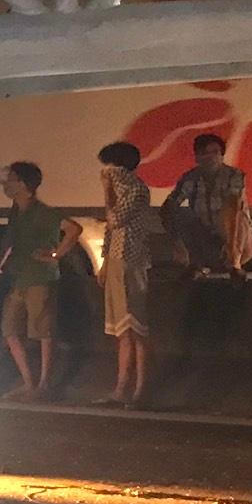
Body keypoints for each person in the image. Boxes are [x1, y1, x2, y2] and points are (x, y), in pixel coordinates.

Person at [97, 141, 167, 407]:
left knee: (135, 326)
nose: (106, 173)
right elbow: (109, 231)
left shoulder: (136, 189)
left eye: (110, 167)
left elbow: (115, 219)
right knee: (121, 331)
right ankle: (120, 389)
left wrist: (107, 191)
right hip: (116, 260)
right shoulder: (122, 188)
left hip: (131, 260)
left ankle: (140, 389)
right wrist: (105, 262)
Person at [0, 160, 61, 399]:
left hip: (39, 277)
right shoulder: (17, 211)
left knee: (43, 331)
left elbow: (73, 229)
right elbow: (10, 242)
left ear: (23, 184)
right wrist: (0, 264)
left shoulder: (42, 212)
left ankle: (43, 385)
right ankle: (30, 382)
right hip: (20, 277)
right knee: (10, 329)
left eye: (11, 179)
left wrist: (55, 255)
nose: (6, 184)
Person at [163, 131, 252, 276]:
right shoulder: (190, 178)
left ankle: (235, 265)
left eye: (215, 152)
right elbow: (169, 207)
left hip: (238, 241)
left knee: (232, 214)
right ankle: (196, 264)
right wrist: (176, 243)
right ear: (197, 157)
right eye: (204, 153)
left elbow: (233, 205)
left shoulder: (234, 175)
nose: (210, 157)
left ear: (222, 155)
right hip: (206, 240)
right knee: (182, 215)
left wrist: (232, 247)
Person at [44, 214, 101, 397]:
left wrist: (55, 255)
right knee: (65, 334)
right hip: (67, 287)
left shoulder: (47, 219)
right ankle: (60, 382)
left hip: (69, 288)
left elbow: (75, 229)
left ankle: (62, 383)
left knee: (69, 335)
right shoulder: (71, 255)